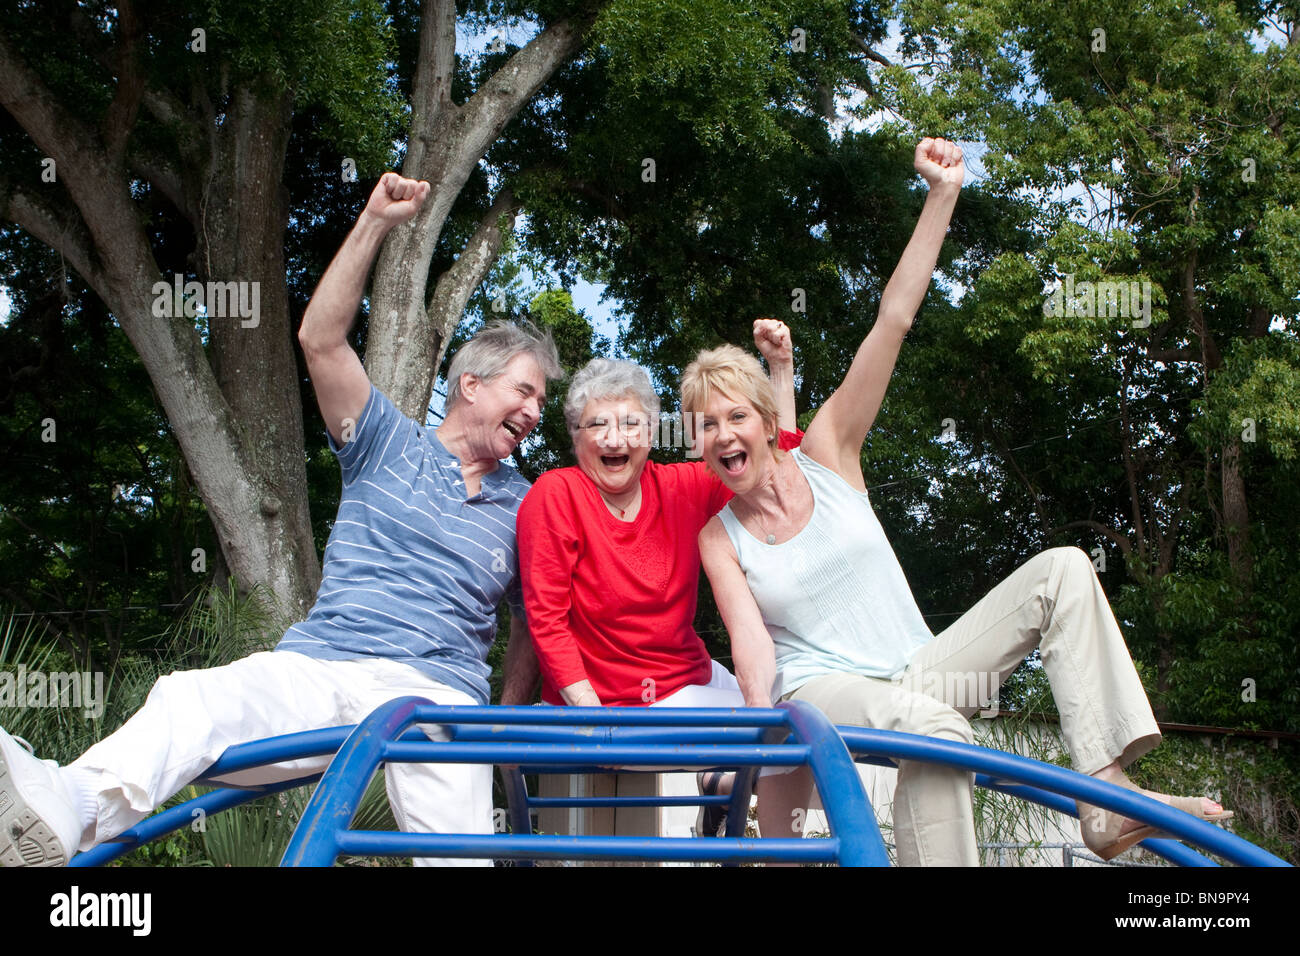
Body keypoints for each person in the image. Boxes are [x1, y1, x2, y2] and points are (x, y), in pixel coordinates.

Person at [687, 137, 1230, 865]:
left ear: (764, 420)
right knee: (935, 728)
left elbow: (892, 322)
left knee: (1064, 570)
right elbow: (753, 654)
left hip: (919, 672)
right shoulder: (721, 537)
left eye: (734, 416)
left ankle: (1102, 795)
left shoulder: (828, 452)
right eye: (705, 426)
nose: (722, 435)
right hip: (820, 695)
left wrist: (943, 195)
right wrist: (752, 753)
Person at [0, 172, 562, 868]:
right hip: (326, 665)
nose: (535, 412)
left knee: (460, 848)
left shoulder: (531, 500)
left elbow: (538, 622)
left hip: (439, 694)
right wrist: (375, 222)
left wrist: (501, 722)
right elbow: (321, 340)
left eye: (541, 401)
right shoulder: (386, 440)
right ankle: (67, 810)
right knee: (191, 698)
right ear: (469, 384)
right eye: (525, 391)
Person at [516, 324, 798, 836]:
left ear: (651, 433)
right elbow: (546, 620)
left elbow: (772, 462)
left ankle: (726, 790)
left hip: (691, 683)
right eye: (595, 425)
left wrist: (780, 370)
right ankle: (719, 782)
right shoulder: (556, 494)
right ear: (576, 437)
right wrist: (592, 721)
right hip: (607, 701)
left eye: (630, 423)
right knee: (755, 757)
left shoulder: (683, 486)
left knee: (794, 729)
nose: (614, 438)